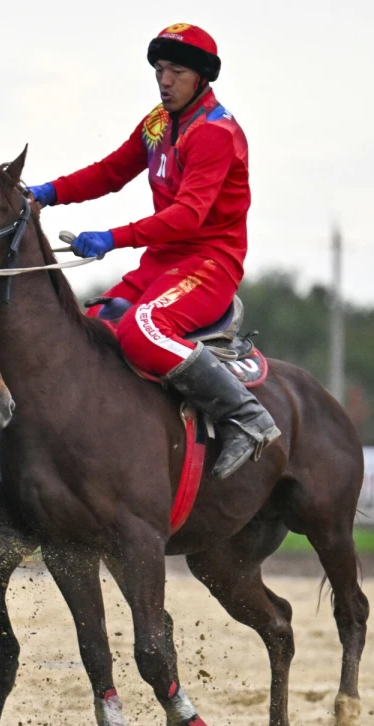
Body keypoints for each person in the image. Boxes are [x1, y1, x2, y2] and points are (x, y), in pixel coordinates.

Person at [25, 23, 278, 479]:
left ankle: (246, 416)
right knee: (89, 329)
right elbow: (109, 172)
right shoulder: (158, 122)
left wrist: (111, 237)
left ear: (201, 77)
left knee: (139, 331)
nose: (164, 81)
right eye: (159, 69)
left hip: (210, 265)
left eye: (176, 71)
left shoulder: (216, 133)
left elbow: (188, 216)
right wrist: (46, 191)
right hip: (163, 263)